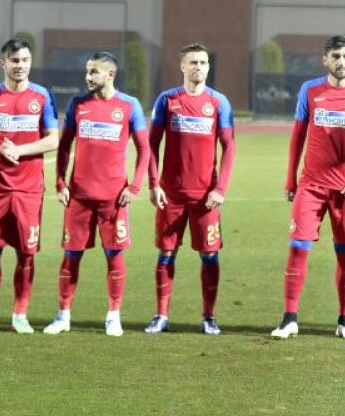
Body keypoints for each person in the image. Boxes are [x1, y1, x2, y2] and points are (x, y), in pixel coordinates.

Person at [271, 35, 345, 340]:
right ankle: (289, 319)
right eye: (335, 56)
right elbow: (297, 136)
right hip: (311, 186)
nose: (341, 62)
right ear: (325, 60)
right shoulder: (310, 90)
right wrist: (290, 179)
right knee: (298, 248)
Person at [43, 51, 150, 337]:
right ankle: (63, 315)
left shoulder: (129, 105)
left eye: (94, 72)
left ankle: (113, 316)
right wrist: (60, 183)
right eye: (87, 71)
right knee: (70, 257)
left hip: (113, 199)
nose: (88, 77)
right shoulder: (78, 104)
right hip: (78, 197)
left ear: (110, 74)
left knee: (114, 256)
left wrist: (135, 186)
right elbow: (64, 146)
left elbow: (144, 149)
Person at [0, 38, 60, 334]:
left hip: (29, 189)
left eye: (25, 60)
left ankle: (20, 315)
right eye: (15, 60)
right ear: (3, 63)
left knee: (26, 253)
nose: (20, 66)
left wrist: (19, 150)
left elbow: (53, 139)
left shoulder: (42, 96)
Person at [145, 43, 236, 336]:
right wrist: (154, 184)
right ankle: (161, 316)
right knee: (166, 253)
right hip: (170, 195)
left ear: (208, 67)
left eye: (204, 62)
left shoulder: (219, 102)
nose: (199, 67)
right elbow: (151, 145)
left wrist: (220, 189)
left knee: (209, 255)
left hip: (205, 198)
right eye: (193, 62)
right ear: (182, 66)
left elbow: (229, 147)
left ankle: (209, 317)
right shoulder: (167, 100)